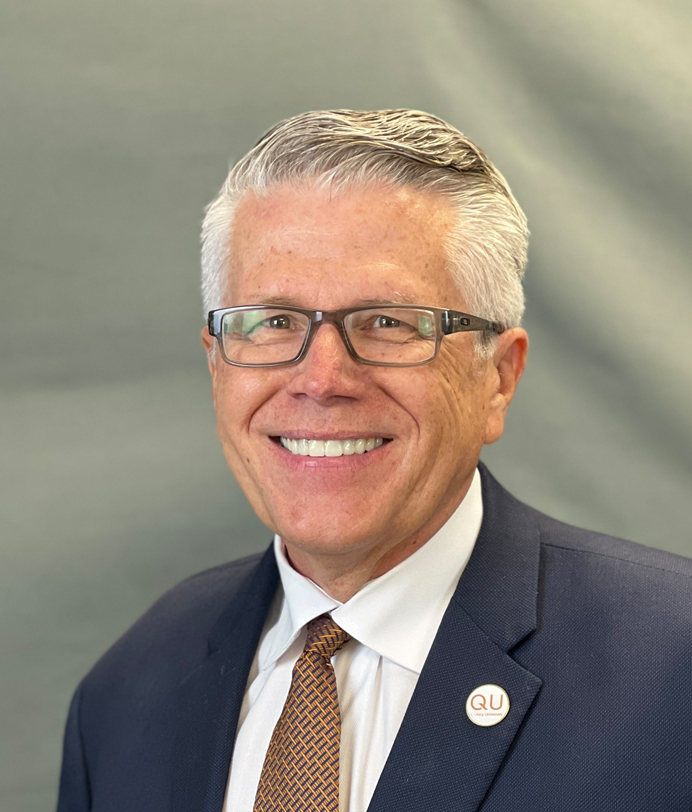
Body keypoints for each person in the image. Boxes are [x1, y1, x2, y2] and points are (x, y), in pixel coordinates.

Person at [57, 110, 692, 812]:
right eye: (273, 322)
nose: (321, 378)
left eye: (388, 322)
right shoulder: (127, 695)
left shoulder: (674, 668)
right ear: (217, 367)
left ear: (499, 379)